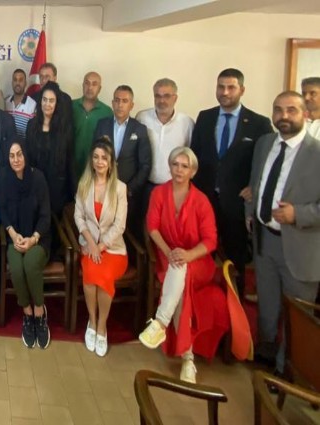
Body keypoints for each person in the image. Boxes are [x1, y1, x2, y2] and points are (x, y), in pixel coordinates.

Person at [139, 147, 229, 384]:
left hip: (198, 261)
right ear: (170, 167)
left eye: (184, 166)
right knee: (181, 286)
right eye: (175, 165)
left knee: (180, 269)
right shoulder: (159, 193)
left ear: (193, 171)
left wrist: (187, 255)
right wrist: (168, 252)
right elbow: (152, 227)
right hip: (167, 257)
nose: (179, 170)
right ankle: (188, 359)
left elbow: (210, 241)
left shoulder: (201, 201)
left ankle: (160, 322)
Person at [246, 91, 320, 378]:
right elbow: (256, 183)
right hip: (265, 241)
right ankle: (266, 355)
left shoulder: (316, 154)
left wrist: (297, 214)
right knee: (267, 305)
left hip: (300, 248)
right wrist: (250, 212)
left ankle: (284, 371)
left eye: (291, 110)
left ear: (305, 114)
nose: (284, 116)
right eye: (278, 109)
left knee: (295, 316)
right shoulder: (265, 143)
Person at [191, 68, 272, 300]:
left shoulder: (258, 123)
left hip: (236, 201)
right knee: (203, 254)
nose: (225, 92)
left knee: (236, 256)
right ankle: (204, 299)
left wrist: (255, 186)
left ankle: (235, 301)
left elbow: (269, 160)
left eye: (231, 87)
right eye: (221, 87)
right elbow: (195, 156)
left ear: (242, 90)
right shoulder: (205, 117)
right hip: (205, 199)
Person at [74, 138, 128, 357]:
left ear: (111, 162)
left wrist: (101, 245)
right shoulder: (84, 184)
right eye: (96, 157)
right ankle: (92, 321)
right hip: (89, 246)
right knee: (90, 272)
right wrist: (91, 243)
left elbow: (120, 225)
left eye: (104, 158)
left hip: (113, 249)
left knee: (104, 276)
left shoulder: (120, 188)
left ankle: (102, 327)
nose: (99, 162)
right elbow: (79, 216)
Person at [0, 142, 52, 349]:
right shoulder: (4, 178)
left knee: (30, 263)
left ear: (25, 155)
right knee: (16, 268)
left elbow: (46, 216)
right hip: (15, 237)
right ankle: (27, 313)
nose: (16, 159)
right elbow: (2, 210)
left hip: (38, 238)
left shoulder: (38, 178)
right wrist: (13, 234)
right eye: (12, 155)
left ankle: (39, 311)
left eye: (19, 154)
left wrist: (33, 239)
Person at [94, 85, 152, 230]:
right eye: (117, 100)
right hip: (103, 191)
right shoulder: (102, 124)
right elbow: (94, 155)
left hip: (127, 193)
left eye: (125, 101)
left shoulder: (139, 129)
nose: (120, 105)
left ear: (131, 105)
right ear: (112, 103)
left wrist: (129, 189)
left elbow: (145, 165)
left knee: (125, 232)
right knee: (101, 229)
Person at [136, 78, 194, 213]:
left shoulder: (187, 123)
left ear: (175, 98)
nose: (162, 100)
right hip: (146, 186)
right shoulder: (142, 118)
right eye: (158, 96)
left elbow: (190, 158)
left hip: (173, 188)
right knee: (143, 221)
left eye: (167, 96)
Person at [25, 81, 75, 217]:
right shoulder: (31, 126)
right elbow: (27, 158)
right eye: (44, 99)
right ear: (40, 101)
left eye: (51, 100)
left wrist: (74, 192)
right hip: (35, 188)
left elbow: (70, 160)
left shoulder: (65, 129)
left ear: (57, 103)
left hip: (57, 191)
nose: (47, 104)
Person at [73, 71, 113, 184]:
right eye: (87, 83)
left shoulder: (107, 112)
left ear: (99, 89)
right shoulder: (71, 106)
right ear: (82, 85)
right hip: (70, 166)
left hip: (95, 168)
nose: (90, 87)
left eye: (94, 84)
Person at [5, 69, 37, 141]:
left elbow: (33, 132)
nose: (17, 83)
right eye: (15, 80)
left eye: (21, 80)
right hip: (7, 145)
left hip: (24, 145)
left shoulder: (32, 104)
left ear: (25, 83)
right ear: (12, 83)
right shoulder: (6, 102)